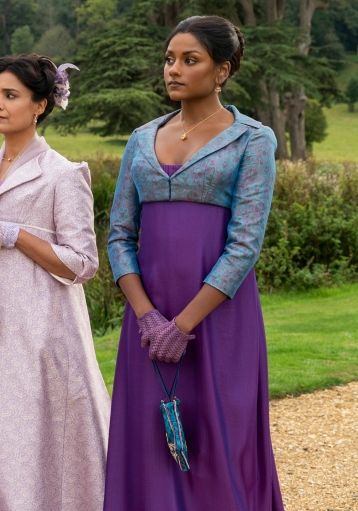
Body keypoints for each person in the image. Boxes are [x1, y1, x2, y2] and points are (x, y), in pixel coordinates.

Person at [104, 16, 284, 510]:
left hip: (217, 317)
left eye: (190, 60)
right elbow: (119, 235)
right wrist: (148, 317)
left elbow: (245, 244)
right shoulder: (141, 138)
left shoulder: (253, 139)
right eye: (169, 59)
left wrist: (183, 325)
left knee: (219, 437)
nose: (174, 70)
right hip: (147, 320)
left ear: (222, 70)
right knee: (149, 437)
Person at [0, 54, 111, 511]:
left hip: (39, 334)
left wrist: (14, 235)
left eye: (10, 95)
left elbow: (82, 264)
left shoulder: (63, 174)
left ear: (40, 105)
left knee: (27, 439)